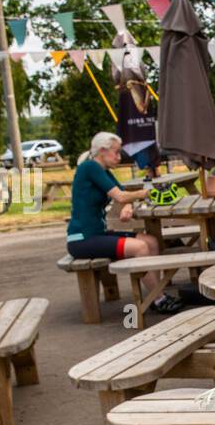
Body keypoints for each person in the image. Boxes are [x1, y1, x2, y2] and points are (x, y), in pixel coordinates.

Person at [66, 131, 178, 312]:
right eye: (116, 152)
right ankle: (159, 299)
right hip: (82, 239)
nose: (119, 157)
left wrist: (127, 205)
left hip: (97, 234)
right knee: (140, 248)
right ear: (102, 151)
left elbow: (122, 194)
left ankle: (154, 294)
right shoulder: (90, 167)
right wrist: (144, 193)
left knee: (151, 241)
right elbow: (120, 195)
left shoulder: (103, 170)